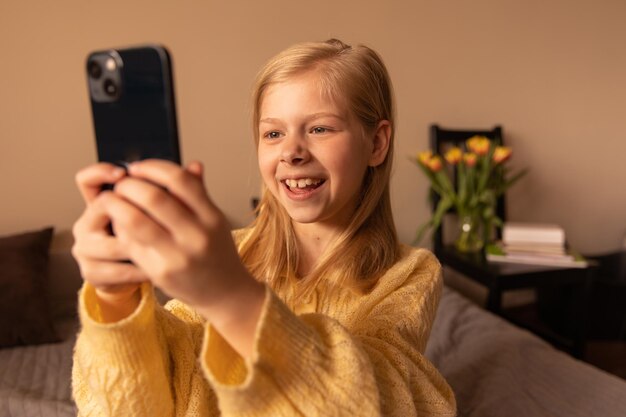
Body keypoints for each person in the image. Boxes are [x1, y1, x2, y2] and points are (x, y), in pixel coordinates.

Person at [71, 38, 456, 416]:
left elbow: (387, 398)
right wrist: (114, 302)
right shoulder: (230, 252)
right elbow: (148, 397)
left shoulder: (409, 273)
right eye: (273, 133)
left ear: (376, 143)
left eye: (319, 129)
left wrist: (229, 295)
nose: (292, 151)